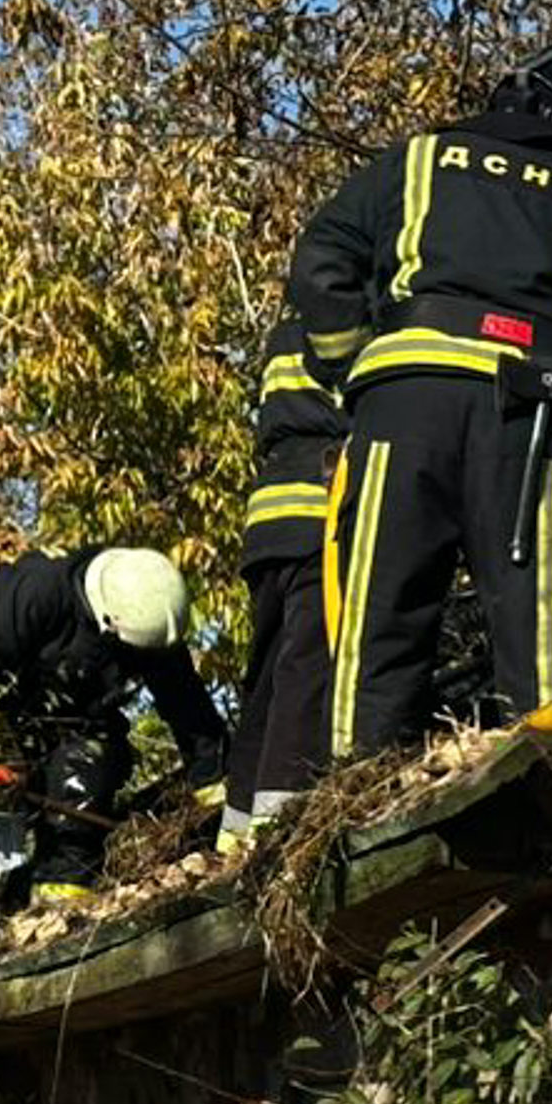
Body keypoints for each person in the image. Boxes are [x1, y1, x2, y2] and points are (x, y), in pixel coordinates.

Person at [288, 44, 552, 759]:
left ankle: (355, 795)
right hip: (531, 417)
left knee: (378, 615)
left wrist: (349, 367)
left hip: (403, 407)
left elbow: (322, 256)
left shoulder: (419, 159)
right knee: (542, 626)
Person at [0, 546, 227, 904]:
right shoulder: (34, 595)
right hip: (15, 714)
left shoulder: (148, 623)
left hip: (83, 721)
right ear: (107, 621)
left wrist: (218, 791)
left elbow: (190, 712)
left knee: (82, 789)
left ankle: (62, 901)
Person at [220, 315, 347, 850]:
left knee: (267, 678)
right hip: (320, 500)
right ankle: (281, 823)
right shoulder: (354, 318)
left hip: (268, 514)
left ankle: (236, 830)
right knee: (307, 667)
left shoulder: (289, 330)